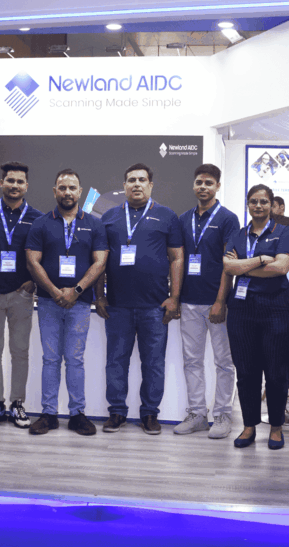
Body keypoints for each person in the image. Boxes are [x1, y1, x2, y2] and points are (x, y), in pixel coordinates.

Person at [95, 163, 184, 435]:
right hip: (117, 306)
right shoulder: (109, 217)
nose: (136, 184)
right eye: (131, 180)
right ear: (124, 186)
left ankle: (150, 414)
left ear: (150, 185)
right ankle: (116, 412)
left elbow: (177, 258)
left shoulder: (167, 216)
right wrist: (99, 295)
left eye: (142, 180)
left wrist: (174, 297)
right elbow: (99, 261)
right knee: (115, 362)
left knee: (154, 364)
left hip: (155, 307)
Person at [26, 169, 109, 437]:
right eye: (62, 187)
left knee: (75, 360)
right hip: (48, 303)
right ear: (55, 191)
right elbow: (33, 262)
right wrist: (54, 292)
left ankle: (77, 414)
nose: (67, 192)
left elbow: (100, 262)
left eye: (72, 187)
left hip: (80, 303)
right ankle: (48, 414)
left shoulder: (94, 224)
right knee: (50, 359)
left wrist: (77, 290)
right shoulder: (41, 223)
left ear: (80, 191)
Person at [222, 184, 289, 450]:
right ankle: (249, 426)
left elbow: (281, 268)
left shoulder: (283, 232)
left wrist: (243, 266)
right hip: (242, 310)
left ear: (271, 204)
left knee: (276, 372)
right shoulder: (238, 234)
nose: (258, 206)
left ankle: (276, 427)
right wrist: (262, 259)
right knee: (246, 371)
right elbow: (227, 266)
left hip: (277, 308)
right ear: (248, 204)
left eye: (263, 201)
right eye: (253, 201)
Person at [174, 164, 240, 439]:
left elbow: (229, 264)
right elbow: (177, 259)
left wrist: (220, 301)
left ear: (217, 186)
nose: (203, 187)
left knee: (224, 362)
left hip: (217, 302)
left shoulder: (228, 219)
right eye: (199, 182)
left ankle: (223, 414)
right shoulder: (184, 218)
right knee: (192, 361)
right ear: (194, 186)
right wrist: (176, 297)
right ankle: (197, 414)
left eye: (209, 183)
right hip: (189, 301)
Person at [0, 162, 44, 429]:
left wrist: (34, 282)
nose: (15, 185)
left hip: (21, 294)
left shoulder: (37, 217)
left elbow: (45, 253)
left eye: (20, 181)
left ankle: (17, 403)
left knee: (20, 351)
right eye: (10, 180)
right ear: (1, 183)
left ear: (26, 186)